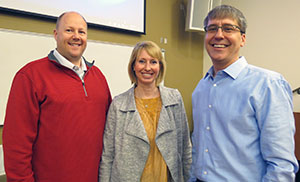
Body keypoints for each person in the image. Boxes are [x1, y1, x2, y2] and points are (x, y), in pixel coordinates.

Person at [190, 5, 298, 182]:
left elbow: (281, 165)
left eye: (228, 28)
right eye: (212, 28)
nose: (218, 35)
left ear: (243, 39)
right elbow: (198, 147)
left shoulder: (268, 85)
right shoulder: (201, 88)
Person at [2, 11, 112, 182]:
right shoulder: (30, 76)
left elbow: (109, 134)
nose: (76, 36)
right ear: (55, 34)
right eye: (69, 30)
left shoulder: (98, 77)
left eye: (81, 32)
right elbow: (16, 145)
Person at [99, 40, 192, 182]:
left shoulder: (174, 99)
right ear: (133, 66)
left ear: (160, 66)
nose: (147, 67)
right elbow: (108, 155)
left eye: (153, 62)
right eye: (142, 61)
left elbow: (185, 147)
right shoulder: (119, 104)